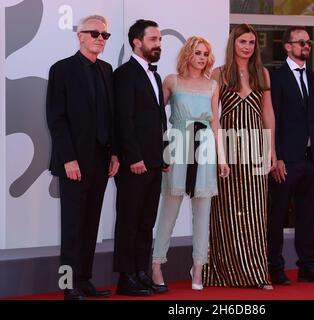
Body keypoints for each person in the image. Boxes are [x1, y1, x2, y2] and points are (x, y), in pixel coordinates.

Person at [46, 15, 119, 300]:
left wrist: (114, 153)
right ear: (80, 36)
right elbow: (57, 118)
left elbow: (111, 118)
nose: (100, 38)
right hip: (74, 162)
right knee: (72, 228)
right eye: (95, 33)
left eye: (105, 35)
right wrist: (68, 159)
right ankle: (68, 287)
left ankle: (85, 281)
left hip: (101, 161)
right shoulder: (62, 70)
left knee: (90, 225)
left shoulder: (107, 70)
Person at [151, 36, 230, 291]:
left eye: (206, 54)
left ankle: (198, 267)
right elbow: (153, 114)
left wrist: (222, 157)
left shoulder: (212, 85)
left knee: (203, 212)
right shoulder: (171, 81)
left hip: (205, 145)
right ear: (188, 54)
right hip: (177, 143)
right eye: (198, 53)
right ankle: (156, 263)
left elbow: (215, 123)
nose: (202, 58)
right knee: (169, 210)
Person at [203, 24, 277, 290]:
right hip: (230, 148)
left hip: (256, 146)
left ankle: (256, 274)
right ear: (233, 43)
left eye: (252, 42)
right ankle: (225, 271)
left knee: (256, 211)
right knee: (227, 210)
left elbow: (268, 114)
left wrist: (272, 151)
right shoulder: (220, 74)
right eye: (243, 41)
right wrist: (219, 153)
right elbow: (214, 117)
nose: (248, 46)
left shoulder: (262, 73)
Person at [268, 26, 314, 285]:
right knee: (278, 215)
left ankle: (307, 265)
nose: (306, 46)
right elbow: (272, 120)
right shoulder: (276, 78)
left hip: (311, 159)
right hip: (286, 159)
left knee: (307, 215)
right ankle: (275, 266)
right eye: (301, 42)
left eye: (308, 42)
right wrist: (277, 156)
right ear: (287, 46)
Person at [113, 19, 168, 296]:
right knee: (129, 220)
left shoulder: (155, 75)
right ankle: (126, 277)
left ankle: (141, 272)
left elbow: (159, 120)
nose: (158, 44)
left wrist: (165, 154)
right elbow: (124, 120)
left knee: (147, 221)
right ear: (137, 41)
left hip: (155, 162)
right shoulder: (124, 74)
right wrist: (133, 157)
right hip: (134, 163)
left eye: (159, 40)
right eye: (153, 39)